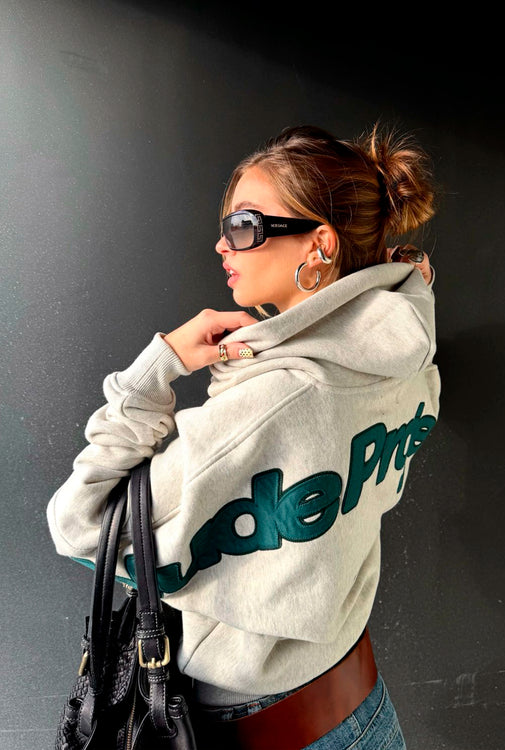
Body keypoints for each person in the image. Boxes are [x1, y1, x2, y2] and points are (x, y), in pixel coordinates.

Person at [47, 124, 441, 749]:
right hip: (362, 709)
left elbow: (77, 524)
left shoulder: (273, 402)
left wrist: (160, 367)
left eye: (244, 226)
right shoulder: (405, 351)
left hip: (264, 729)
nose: (221, 245)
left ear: (320, 243)